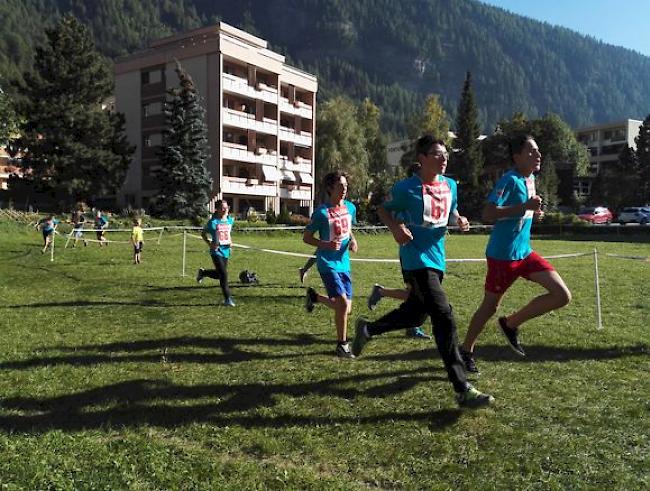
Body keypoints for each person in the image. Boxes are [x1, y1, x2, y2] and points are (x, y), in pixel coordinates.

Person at [352, 134, 494, 409]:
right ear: (422, 159)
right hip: (415, 258)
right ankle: (461, 386)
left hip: (437, 259)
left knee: (415, 313)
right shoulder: (406, 188)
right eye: (438, 155)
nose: (444, 159)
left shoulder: (450, 185)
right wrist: (395, 228)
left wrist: (459, 219)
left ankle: (368, 329)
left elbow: (451, 211)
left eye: (446, 155)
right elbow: (381, 207)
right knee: (444, 315)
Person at [459, 134, 571, 374]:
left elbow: (522, 212)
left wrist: (532, 213)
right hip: (503, 256)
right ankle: (465, 350)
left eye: (538, 151)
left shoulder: (530, 179)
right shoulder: (508, 180)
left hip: (525, 253)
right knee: (489, 307)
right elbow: (488, 213)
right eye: (531, 151)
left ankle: (510, 324)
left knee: (562, 295)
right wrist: (524, 208)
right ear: (516, 157)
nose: (538, 155)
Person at [303, 170, 358, 359]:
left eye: (346, 186)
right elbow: (307, 238)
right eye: (340, 186)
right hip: (327, 263)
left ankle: (316, 298)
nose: (344, 189)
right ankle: (342, 345)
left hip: (344, 263)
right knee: (342, 304)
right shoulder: (321, 213)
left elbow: (348, 229)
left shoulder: (350, 208)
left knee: (346, 309)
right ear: (329, 188)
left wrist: (352, 240)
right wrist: (326, 244)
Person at [196, 200, 236, 307]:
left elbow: (227, 233)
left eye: (226, 207)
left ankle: (203, 273)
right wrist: (209, 243)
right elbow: (203, 234)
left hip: (226, 250)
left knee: (219, 275)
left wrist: (230, 242)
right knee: (224, 274)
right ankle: (227, 299)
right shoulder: (213, 222)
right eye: (222, 208)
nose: (224, 210)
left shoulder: (230, 221)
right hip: (216, 251)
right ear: (217, 209)